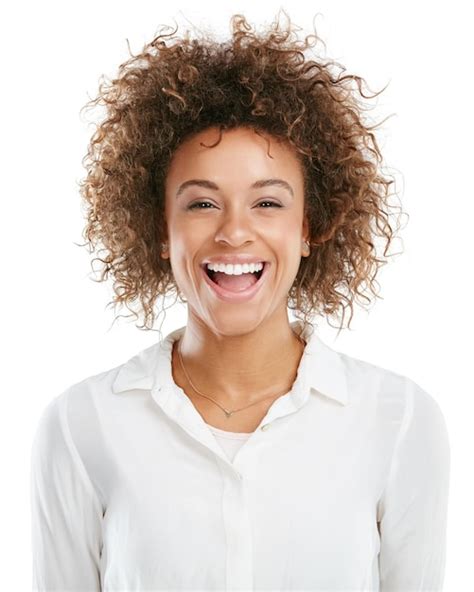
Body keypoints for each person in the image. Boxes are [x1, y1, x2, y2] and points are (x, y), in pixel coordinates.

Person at [30, 11, 451, 591]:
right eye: (202, 204)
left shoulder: (400, 423)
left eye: (268, 204)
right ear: (160, 229)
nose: (233, 233)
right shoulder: (81, 427)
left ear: (310, 227)